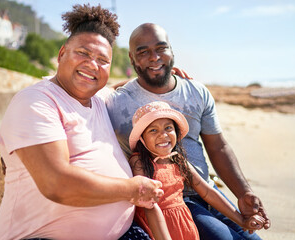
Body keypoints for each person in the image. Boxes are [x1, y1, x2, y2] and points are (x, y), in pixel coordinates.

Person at [0, 6, 163, 240]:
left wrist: (168, 76)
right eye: (83, 53)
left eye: (102, 60)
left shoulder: (99, 100)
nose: (92, 65)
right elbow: (57, 184)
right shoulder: (36, 101)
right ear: (62, 54)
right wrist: (133, 189)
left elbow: (121, 87)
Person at [106, 23, 271, 240]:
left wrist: (243, 193)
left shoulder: (196, 91)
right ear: (132, 59)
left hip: (208, 190)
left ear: (172, 51)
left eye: (161, 48)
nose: (154, 57)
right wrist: (130, 81)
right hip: (174, 201)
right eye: (143, 52)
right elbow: (86, 89)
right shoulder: (117, 101)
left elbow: (218, 147)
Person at [128, 101, 266, 240]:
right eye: (153, 130)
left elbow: (206, 191)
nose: (163, 135)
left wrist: (241, 220)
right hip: (157, 227)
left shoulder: (178, 160)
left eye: (168, 128)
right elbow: (149, 205)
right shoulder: (139, 162)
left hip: (184, 224)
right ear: (141, 138)